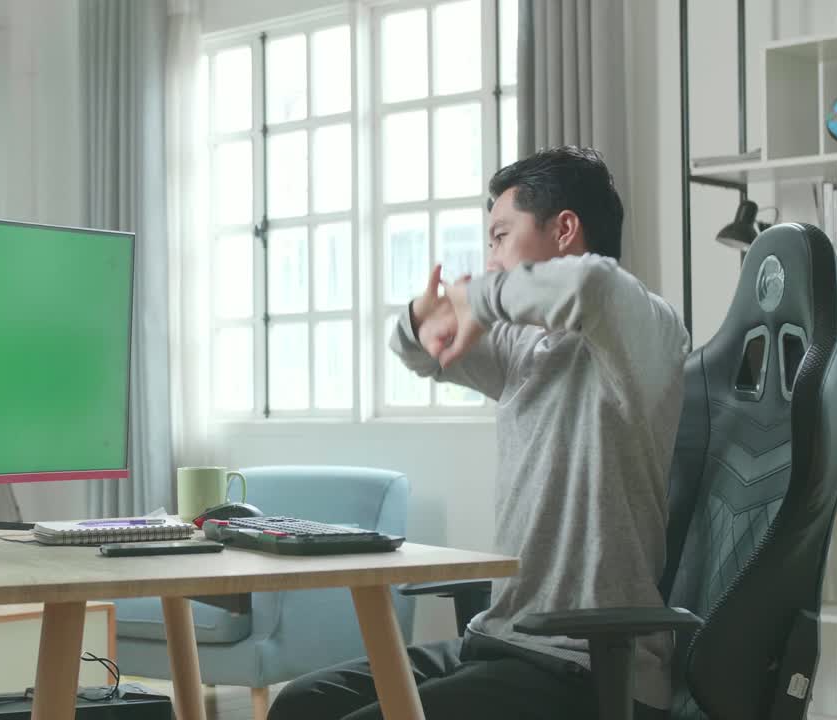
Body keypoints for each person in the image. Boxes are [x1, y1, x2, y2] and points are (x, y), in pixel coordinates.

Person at [267, 146, 691, 720]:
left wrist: (478, 299)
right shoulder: (525, 346)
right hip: (497, 640)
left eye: (500, 236)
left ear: (564, 229)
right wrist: (422, 320)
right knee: (301, 705)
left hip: (588, 665)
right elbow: (419, 353)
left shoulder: (650, 330)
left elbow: (591, 285)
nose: (491, 260)